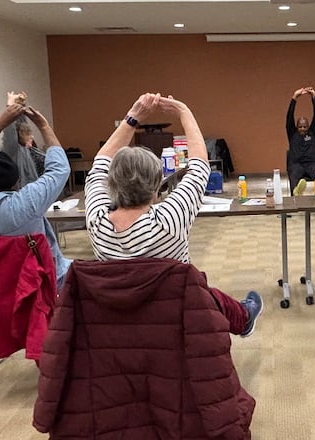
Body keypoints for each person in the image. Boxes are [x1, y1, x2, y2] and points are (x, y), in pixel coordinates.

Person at [84, 93, 262, 337]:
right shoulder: (169, 221)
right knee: (201, 289)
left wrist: (133, 117)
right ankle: (243, 318)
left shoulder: (97, 221)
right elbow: (200, 167)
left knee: (206, 292)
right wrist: (184, 111)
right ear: (158, 186)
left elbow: (100, 162)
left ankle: (242, 315)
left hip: (121, 320)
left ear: (111, 183)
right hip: (175, 317)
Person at [0, 103, 72, 290]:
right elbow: (60, 168)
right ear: (17, 182)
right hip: (39, 284)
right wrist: (43, 125)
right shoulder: (27, 203)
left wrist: (1, 121)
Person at [1, 92, 47, 186]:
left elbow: (22, 123)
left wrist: (20, 105)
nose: (32, 137)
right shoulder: (13, 149)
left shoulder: (27, 150)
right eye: (28, 134)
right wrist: (10, 104)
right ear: (21, 135)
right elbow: (10, 130)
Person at [286, 86, 315, 195]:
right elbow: (289, 117)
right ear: (297, 127)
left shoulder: (313, 133)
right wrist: (294, 98)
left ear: (308, 127)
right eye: (300, 127)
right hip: (296, 165)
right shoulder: (292, 133)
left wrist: (314, 97)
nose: (302, 128)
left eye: (304, 126)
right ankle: (296, 197)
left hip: (312, 164)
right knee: (294, 178)